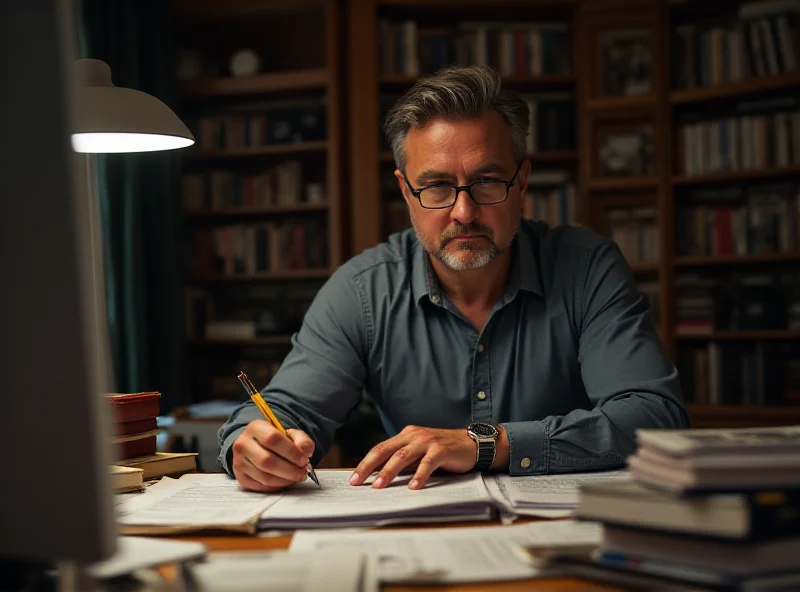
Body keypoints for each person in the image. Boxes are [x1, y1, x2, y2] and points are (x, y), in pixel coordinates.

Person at [218, 65, 689, 493]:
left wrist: (489, 443)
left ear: (521, 183)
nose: (464, 212)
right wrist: (255, 446)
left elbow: (653, 419)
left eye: (487, 181)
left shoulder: (587, 268)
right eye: (437, 186)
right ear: (406, 191)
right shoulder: (363, 290)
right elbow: (285, 412)